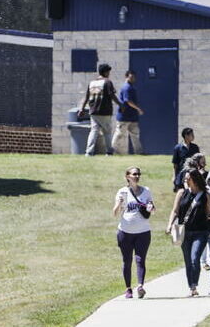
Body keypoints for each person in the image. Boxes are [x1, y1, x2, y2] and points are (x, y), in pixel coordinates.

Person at [166, 169, 210, 297]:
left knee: (195, 258)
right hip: (183, 231)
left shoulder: (205, 195)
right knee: (188, 261)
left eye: (188, 178)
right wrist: (170, 225)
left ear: (195, 179)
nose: (185, 180)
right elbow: (175, 211)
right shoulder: (182, 193)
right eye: (185, 178)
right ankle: (192, 287)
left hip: (201, 232)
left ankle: (194, 285)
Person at [112, 166, 154, 299]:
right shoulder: (122, 192)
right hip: (125, 232)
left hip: (143, 231)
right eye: (134, 174)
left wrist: (150, 207)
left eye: (138, 174)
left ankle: (140, 286)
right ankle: (128, 288)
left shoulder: (146, 191)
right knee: (127, 260)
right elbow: (115, 213)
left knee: (140, 260)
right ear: (127, 177)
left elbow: (152, 210)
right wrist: (119, 204)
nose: (137, 176)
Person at [78, 63, 124, 156]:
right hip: (105, 111)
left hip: (93, 112)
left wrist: (81, 109)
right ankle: (109, 152)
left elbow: (86, 97)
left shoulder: (92, 83)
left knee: (93, 131)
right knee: (107, 132)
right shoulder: (107, 82)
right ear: (106, 72)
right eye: (108, 72)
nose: (109, 73)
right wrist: (120, 105)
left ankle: (89, 152)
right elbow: (112, 95)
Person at [112, 70, 144, 155]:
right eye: (131, 77)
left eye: (134, 77)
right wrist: (138, 109)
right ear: (126, 77)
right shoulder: (126, 87)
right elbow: (128, 101)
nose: (133, 78)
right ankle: (111, 151)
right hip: (124, 116)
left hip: (132, 117)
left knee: (135, 135)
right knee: (119, 134)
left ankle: (139, 152)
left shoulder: (131, 87)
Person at [172, 128, 200, 192]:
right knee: (181, 192)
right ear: (186, 136)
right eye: (191, 135)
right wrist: (174, 176)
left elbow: (198, 161)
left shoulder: (195, 147)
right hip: (181, 175)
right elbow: (175, 164)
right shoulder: (178, 148)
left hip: (193, 174)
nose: (193, 136)